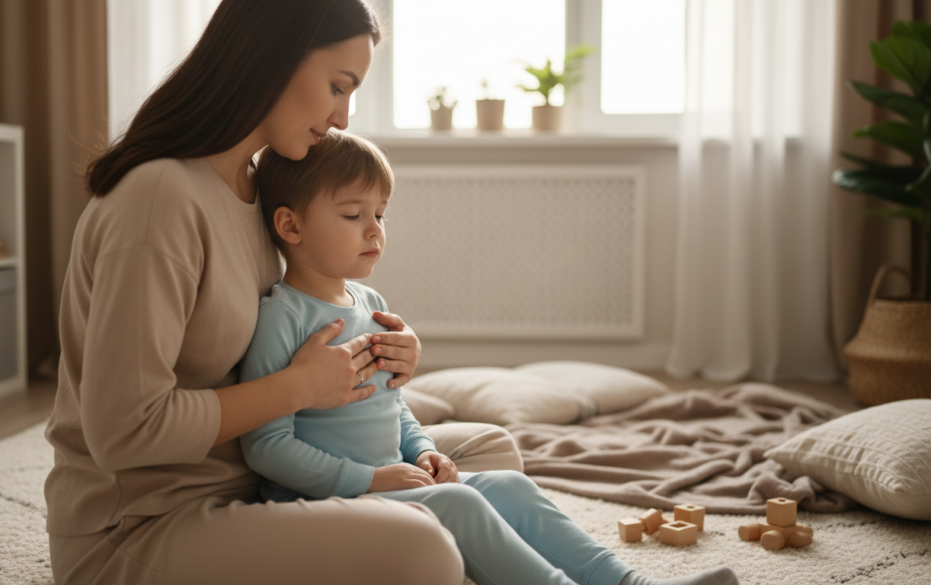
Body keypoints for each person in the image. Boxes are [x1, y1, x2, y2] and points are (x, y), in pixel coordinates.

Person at [43, 2, 522, 584]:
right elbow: (124, 432)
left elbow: (295, 318)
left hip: (262, 476)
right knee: (426, 550)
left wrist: (384, 349)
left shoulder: (256, 186)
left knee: (490, 454)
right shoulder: (159, 198)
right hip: (146, 523)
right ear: (270, 59)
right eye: (337, 87)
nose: (343, 118)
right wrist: (296, 387)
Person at [239, 131, 742, 585]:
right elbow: (267, 446)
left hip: (392, 476)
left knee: (509, 485)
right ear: (291, 225)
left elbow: (392, 405)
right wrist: (370, 478)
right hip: (329, 498)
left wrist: (422, 450)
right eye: (353, 215)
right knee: (459, 503)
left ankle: (630, 584)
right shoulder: (282, 318)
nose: (374, 230)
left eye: (380, 214)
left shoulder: (372, 307)